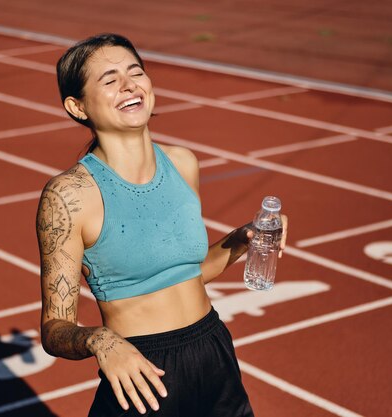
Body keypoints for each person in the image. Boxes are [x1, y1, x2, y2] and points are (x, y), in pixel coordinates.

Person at [36, 33, 288, 417]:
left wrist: (242, 240)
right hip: (143, 373)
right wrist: (100, 341)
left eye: (135, 72)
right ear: (77, 106)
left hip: (214, 352)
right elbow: (55, 327)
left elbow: (187, 274)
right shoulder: (69, 197)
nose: (129, 85)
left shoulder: (183, 163)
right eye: (109, 79)